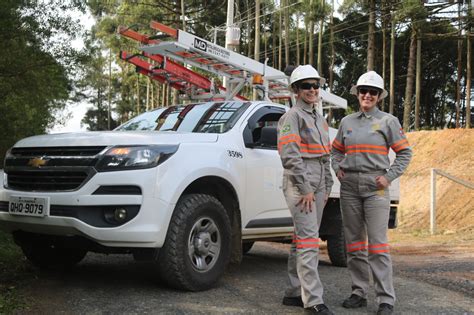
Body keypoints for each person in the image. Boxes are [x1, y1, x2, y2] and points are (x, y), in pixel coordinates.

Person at [331, 71, 412, 315]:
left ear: (379, 97)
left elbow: (405, 153)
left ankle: (386, 299)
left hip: (375, 188)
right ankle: (358, 292)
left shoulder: (389, 121)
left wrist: (387, 177)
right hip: (349, 188)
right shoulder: (347, 122)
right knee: (354, 245)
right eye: (363, 91)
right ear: (357, 93)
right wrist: (337, 168)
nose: (367, 95)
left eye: (372, 92)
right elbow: (335, 152)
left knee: (377, 246)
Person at [277, 65, 334, 315]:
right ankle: (313, 301)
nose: (312, 90)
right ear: (296, 90)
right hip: (302, 180)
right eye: (306, 86)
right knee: (310, 241)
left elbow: (325, 155)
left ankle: (293, 292)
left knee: (303, 238)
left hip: (320, 178)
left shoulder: (319, 118)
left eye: (315, 85)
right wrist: (305, 187)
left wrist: (327, 183)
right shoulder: (292, 117)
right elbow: (290, 156)